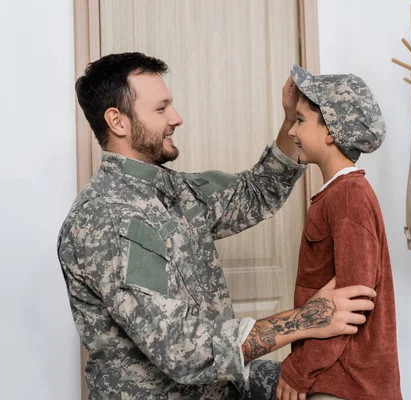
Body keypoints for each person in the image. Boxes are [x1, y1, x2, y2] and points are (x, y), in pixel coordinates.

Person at [57, 52, 377, 399]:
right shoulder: (107, 218)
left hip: (221, 388)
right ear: (117, 121)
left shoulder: (177, 190)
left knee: (333, 387)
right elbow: (181, 347)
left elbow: (258, 191)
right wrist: (305, 320)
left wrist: (291, 122)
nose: (176, 118)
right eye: (161, 109)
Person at [276, 65, 402, 400]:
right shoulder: (339, 195)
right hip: (334, 377)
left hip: (346, 384)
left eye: (300, 120)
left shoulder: (348, 198)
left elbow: (352, 304)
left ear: (330, 131)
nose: (292, 131)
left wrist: (299, 368)